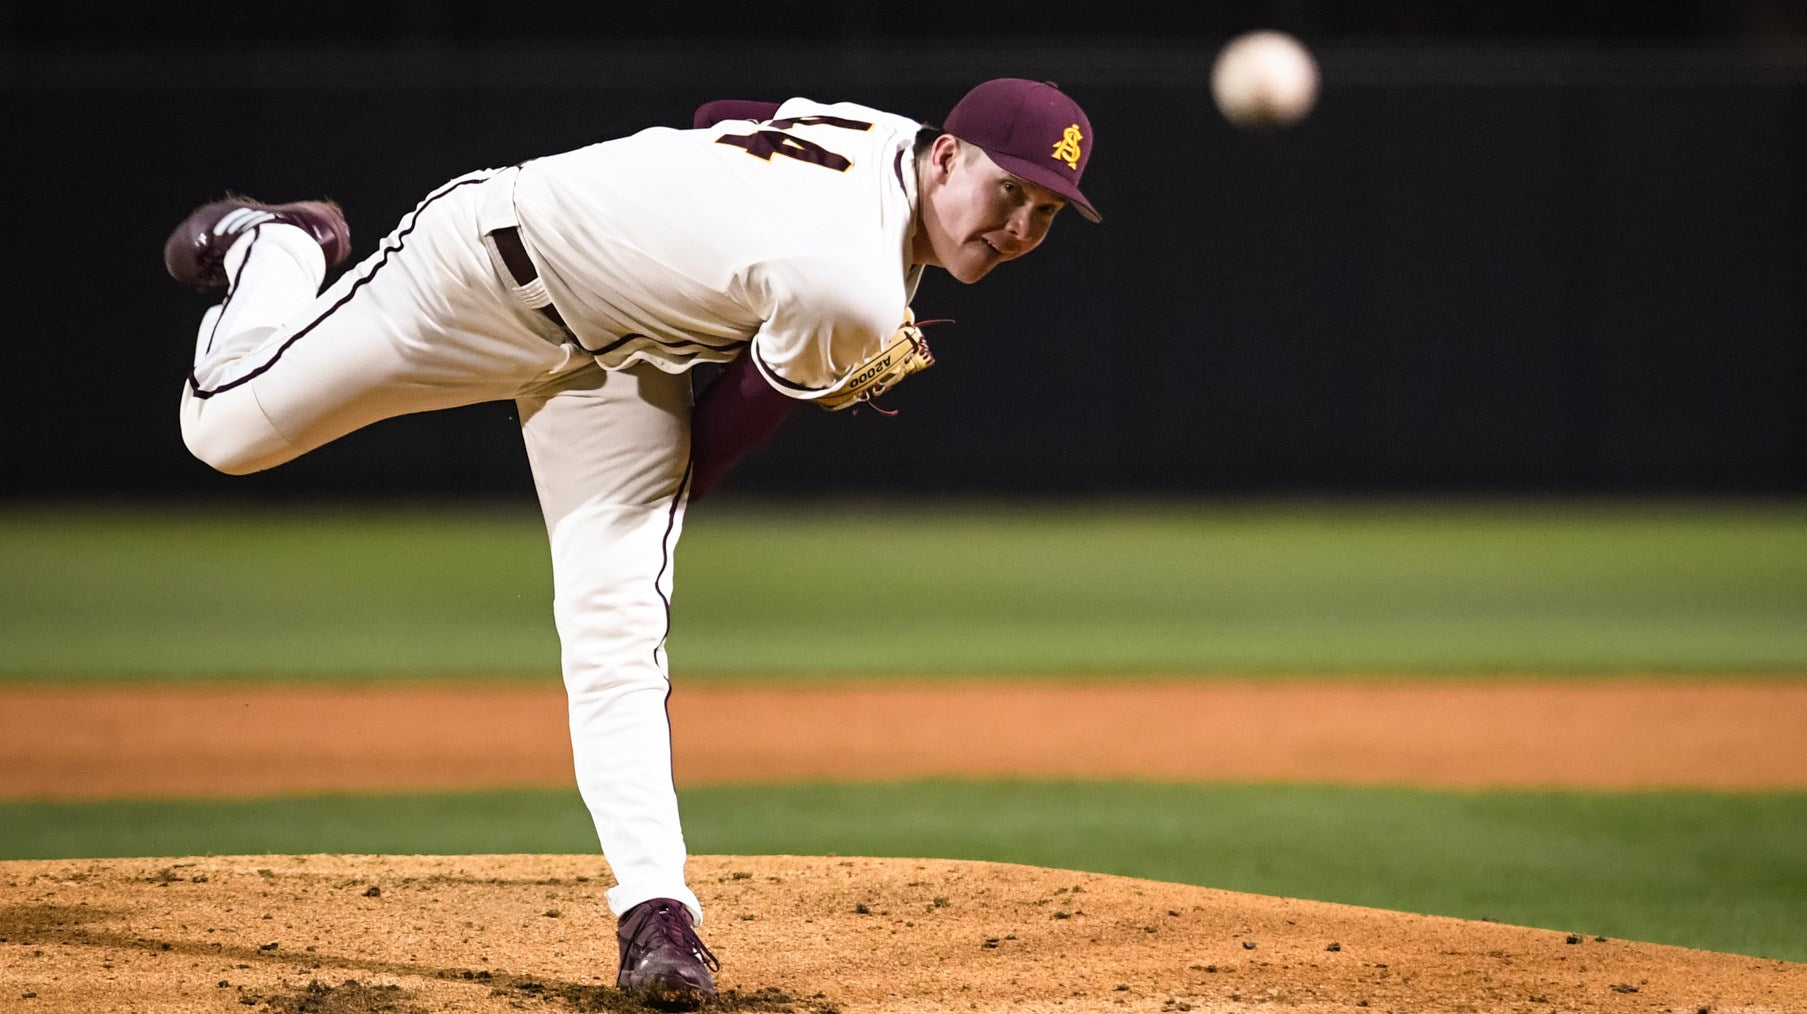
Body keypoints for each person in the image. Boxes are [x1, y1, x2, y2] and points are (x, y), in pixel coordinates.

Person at [163, 76, 1100, 1006]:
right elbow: (734, 421)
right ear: (945, 156)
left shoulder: (876, 129)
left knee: (615, 629)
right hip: (481, 272)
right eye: (1005, 190)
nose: (1018, 225)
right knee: (224, 434)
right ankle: (277, 244)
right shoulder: (853, 285)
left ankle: (657, 913)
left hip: (628, 352)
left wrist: (700, 224)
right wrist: (651, 506)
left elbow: (719, 119)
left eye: (1045, 211)